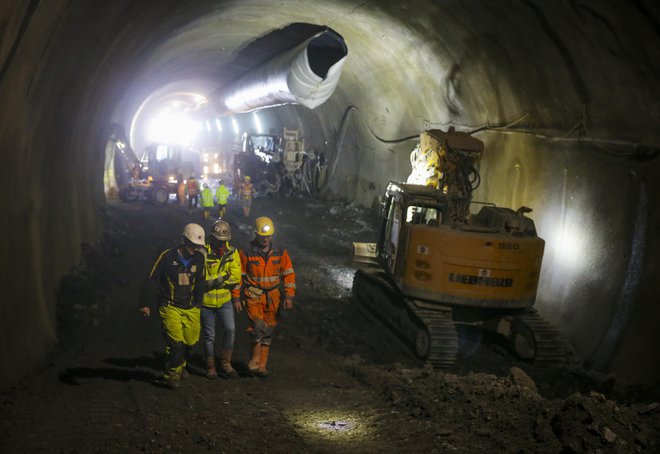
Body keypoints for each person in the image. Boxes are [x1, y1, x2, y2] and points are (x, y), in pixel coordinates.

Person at [139, 223, 206, 389]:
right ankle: (172, 374)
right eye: (192, 245)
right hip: (170, 306)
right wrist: (145, 303)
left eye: (198, 246)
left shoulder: (200, 258)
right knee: (175, 342)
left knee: (191, 342)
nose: (195, 249)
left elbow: (200, 282)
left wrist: (199, 303)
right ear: (183, 240)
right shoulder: (167, 257)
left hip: (191, 307)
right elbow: (152, 278)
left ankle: (181, 365)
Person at [233, 216, 295, 377]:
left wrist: (289, 296)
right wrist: (236, 297)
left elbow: (288, 273)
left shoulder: (280, 252)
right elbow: (238, 275)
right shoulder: (246, 252)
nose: (266, 239)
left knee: (268, 328)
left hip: (273, 295)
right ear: (256, 234)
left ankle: (262, 366)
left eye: (268, 236)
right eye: (263, 236)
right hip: (254, 294)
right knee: (257, 325)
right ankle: (254, 359)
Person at [201, 220, 242, 379]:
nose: (221, 244)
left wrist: (215, 280)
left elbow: (236, 277)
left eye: (223, 241)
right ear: (212, 238)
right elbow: (203, 280)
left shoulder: (232, 253)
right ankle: (210, 367)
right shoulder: (203, 252)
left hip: (225, 301)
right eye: (218, 240)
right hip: (206, 303)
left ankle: (226, 364)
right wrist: (224, 276)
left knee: (230, 330)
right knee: (209, 336)